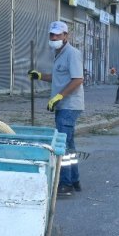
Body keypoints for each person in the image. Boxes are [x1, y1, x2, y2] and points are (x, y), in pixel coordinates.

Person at [27, 21, 85, 197]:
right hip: (63, 105)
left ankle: (65, 184)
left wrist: (59, 96)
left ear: (66, 36)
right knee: (69, 143)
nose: (54, 38)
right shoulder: (58, 53)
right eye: (52, 35)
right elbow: (59, 77)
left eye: (58, 35)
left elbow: (77, 79)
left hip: (69, 105)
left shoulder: (72, 53)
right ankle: (74, 180)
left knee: (63, 144)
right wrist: (40, 76)